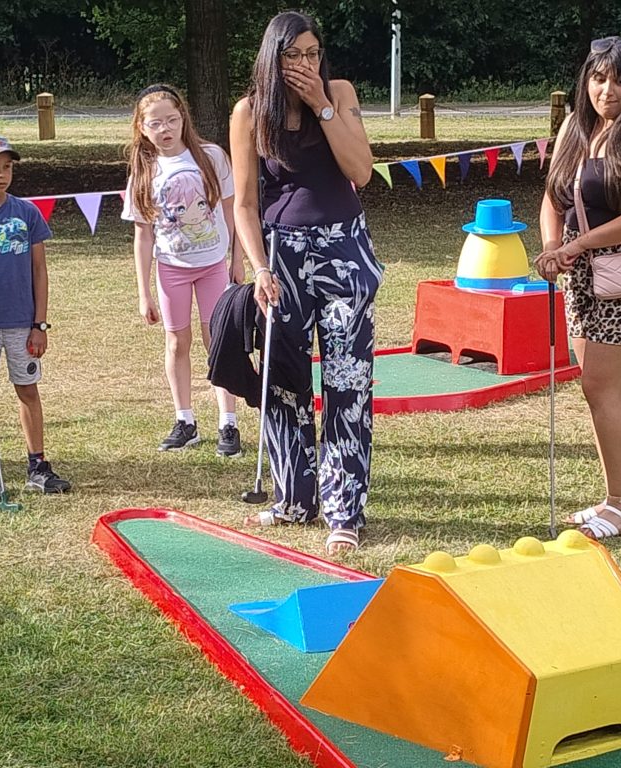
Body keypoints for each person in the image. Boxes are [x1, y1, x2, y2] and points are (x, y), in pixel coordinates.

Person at [230, 11, 382, 555]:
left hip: (344, 252)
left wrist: (321, 103)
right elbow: (245, 205)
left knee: (347, 383)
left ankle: (345, 509)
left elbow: (360, 171)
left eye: (313, 53)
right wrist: (259, 270)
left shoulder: (338, 93)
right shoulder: (249, 112)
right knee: (284, 379)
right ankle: (294, 496)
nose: (305, 63)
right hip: (280, 257)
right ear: (272, 57)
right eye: (294, 55)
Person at [534, 36, 621, 539]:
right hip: (583, 274)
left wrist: (579, 244)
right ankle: (612, 498)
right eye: (598, 78)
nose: (607, 90)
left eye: (619, 80)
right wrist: (553, 245)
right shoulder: (577, 125)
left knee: (601, 384)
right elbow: (553, 197)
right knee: (594, 387)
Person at [123, 84, 245, 455]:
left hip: (213, 267)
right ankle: (185, 419)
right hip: (171, 270)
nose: (165, 129)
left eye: (172, 120)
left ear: (183, 119)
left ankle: (228, 422)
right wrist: (144, 291)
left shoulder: (211, 157)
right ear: (142, 128)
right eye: (155, 123)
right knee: (177, 341)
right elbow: (143, 237)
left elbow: (233, 210)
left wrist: (237, 258)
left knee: (217, 340)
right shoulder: (144, 172)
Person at [0, 132, 71, 498]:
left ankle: (37, 465)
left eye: (7, 167)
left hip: (22, 324)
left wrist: (39, 324)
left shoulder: (26, 213)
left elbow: (39, 270)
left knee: (28, 390)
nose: (1, 174)